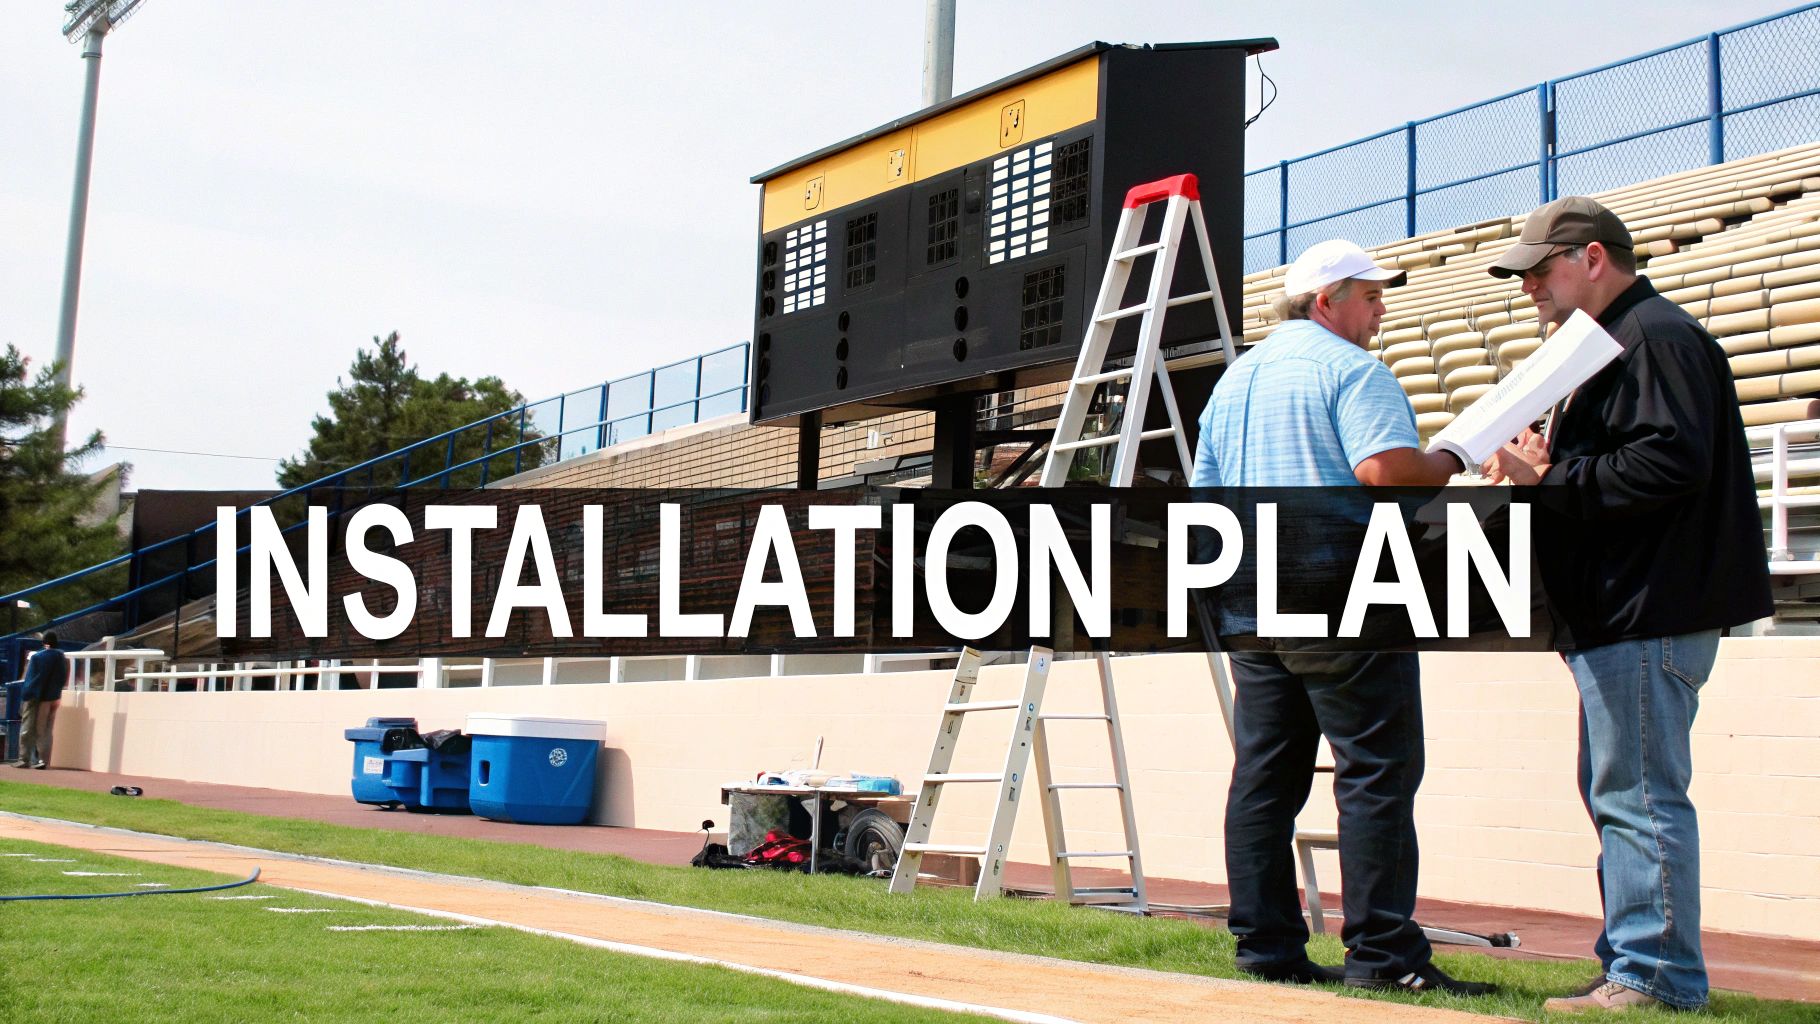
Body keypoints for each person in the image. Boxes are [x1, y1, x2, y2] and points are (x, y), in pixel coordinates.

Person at [1483, 196, 1773, 1014]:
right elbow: (1636, 460)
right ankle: (1634, 963)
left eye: (1542, 269)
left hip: (1649, 608)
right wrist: (1552, 466)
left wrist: (1553, 477)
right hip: (1628, 609)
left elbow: (1667, 465)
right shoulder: (1622, 342)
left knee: (1638, 798)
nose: (1530, 286)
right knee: (1622, 794)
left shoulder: (1655, 338)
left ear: (1594, 258)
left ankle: (1656, 977)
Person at [1190, 240, 1490, 995]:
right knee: (1377, 774)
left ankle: (1266, 950)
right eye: (1371, 295)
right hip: (1342, 597)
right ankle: (1385, 957)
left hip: (1253, 601)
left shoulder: (1235, 381)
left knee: (1264, 777)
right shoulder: (1353, 370)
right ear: (1327, 302)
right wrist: (1455, 455)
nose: (1381, 309)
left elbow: (1208, 496)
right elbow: (1385, 472)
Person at [16, 632, 69, 770]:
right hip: (54, 696)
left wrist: (28, 696)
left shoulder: (38, 657)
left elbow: (32, 680)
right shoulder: (62, 657)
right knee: (46, 730)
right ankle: (43, 760)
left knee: (28, 727)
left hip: (38, 697)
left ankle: (24, 759)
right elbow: (63, 678)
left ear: (45, 643)